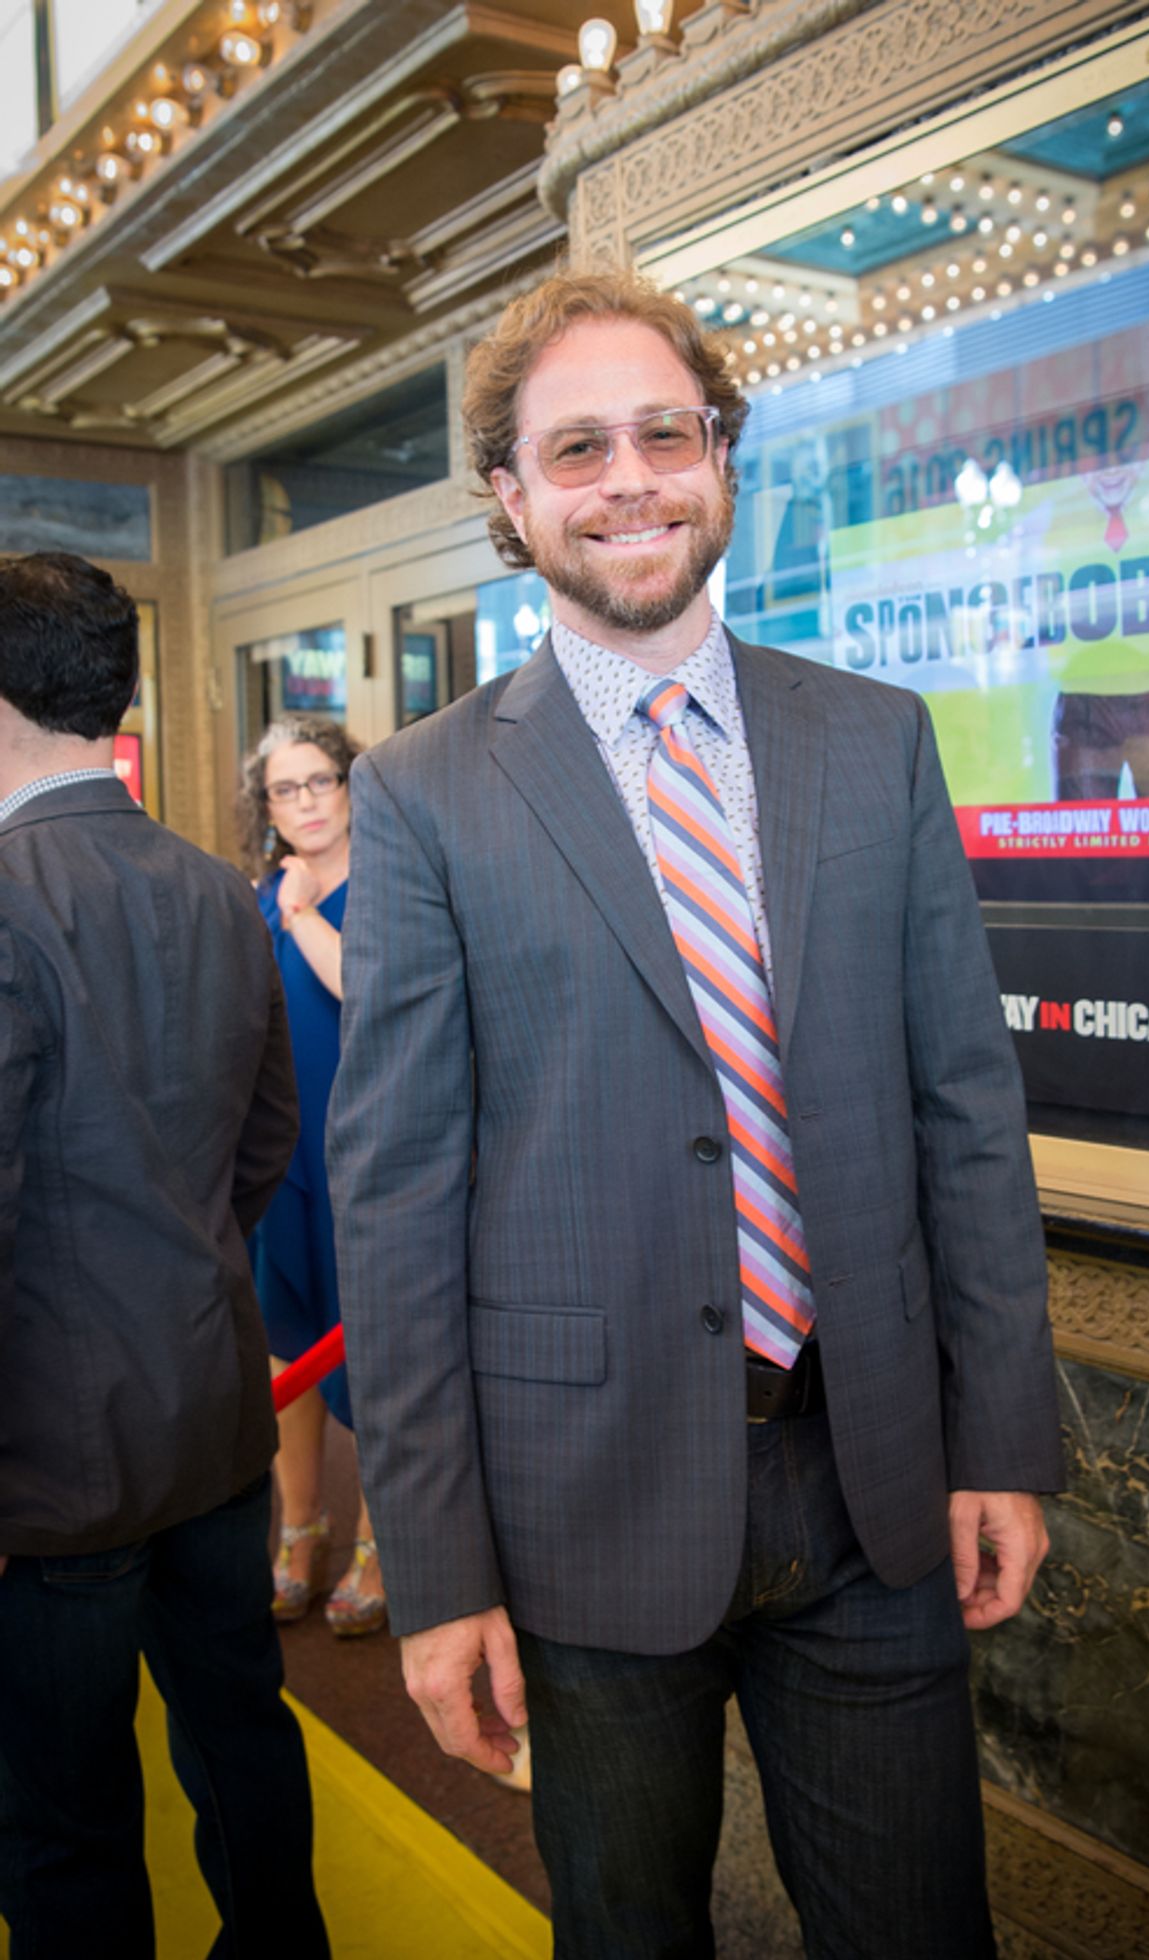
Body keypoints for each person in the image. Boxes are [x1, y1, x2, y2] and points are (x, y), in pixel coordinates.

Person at [327, 270, 1064, 1958]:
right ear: (511, 497)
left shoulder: (874, 742)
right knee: (632, 1932)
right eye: (575, 447)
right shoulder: (425, 794)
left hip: (870, 1476)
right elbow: (396, 1195)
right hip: (579, 1508)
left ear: (723, 454)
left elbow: (966, 1105)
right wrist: (434, 1568)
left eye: (667, 432)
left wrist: (1003, 1433)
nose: (631, 477)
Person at [0, 552, 328, 1959]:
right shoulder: (215, 889)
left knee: (63, 1819)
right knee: (241, 1738)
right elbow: (265, 1148)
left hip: (49, 1463)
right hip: (210, 1409)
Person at [236, 714, 385, 1636]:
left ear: (350, 783)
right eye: (284, 789)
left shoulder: (386, 884)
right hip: (281, 1167)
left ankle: (383, 1541)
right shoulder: (257, 899)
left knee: (376, 1362)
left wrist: (298, 912)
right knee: (284, 1349)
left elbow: (366, 991)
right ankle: (300, 1527)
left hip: (370, 1162)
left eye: (319, 781)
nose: (304, 802)